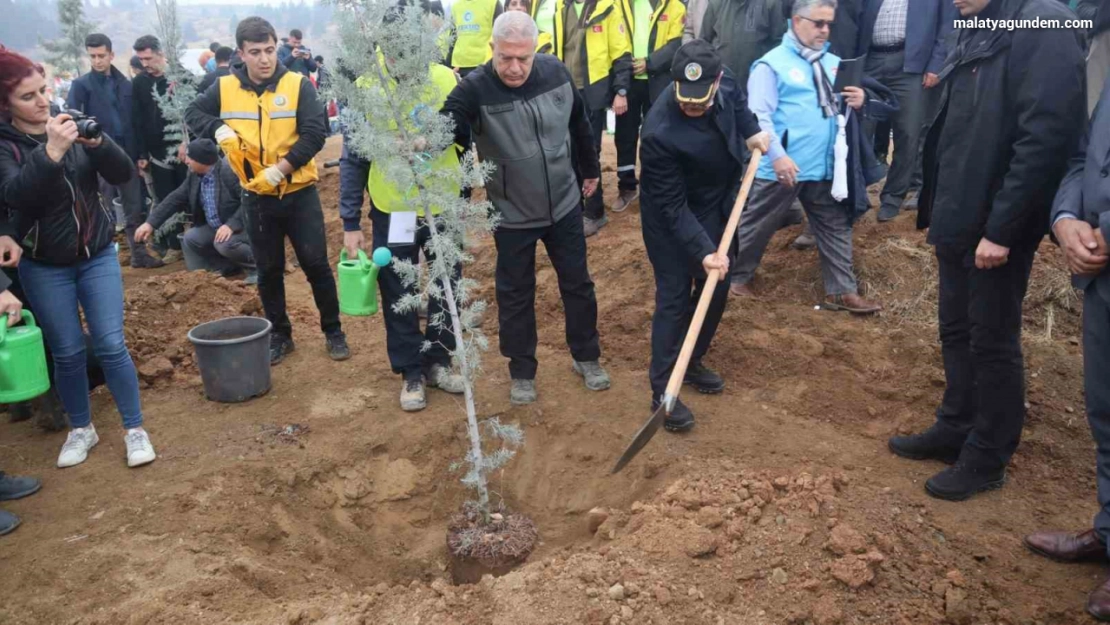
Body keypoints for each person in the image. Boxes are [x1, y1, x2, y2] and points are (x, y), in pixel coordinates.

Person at [889, 0, 1086, 501]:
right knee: (956, 329)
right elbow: (960, 125)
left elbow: (1045, 138)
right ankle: (955, 425)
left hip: (996, 223)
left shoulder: (1044, 24)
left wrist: (1003, 228)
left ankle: (988, 454)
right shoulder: (981, 24)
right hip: (959, 212)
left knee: (992, 340)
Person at [0, 47, 158, 469]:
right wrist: (49, 153)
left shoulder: (67, 122)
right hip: (44, 266)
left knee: (110, 343)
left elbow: (123, 173)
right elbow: (15, 197)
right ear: (5, 105)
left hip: (97, 254)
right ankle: (81, 428)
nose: (41, 102)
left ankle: (134, 428)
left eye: (43, 90)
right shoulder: (7, 146)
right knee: (67, 351)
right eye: (27, 96)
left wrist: (100, 143)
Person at [444, 11, 610, 404]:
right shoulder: (475, 89)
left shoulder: (555, 73)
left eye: (523, 57)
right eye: (505, 58)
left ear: (536, 50)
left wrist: (589, 169)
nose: (514, 67)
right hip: (512, 212)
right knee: (516, 293)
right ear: (492, 49)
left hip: (565, 203)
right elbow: (445, 127)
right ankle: (521, 371)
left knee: (578, 284)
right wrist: (417, 143)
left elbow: (579, 122)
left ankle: (586, 357)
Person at [186, 16, 349, 365]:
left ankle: (333, 331)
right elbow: (193, 111)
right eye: (256, 52)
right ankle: (280, 334)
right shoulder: (224, 87)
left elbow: (315, 134)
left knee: (316, 264)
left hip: (298, 193)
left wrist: (280, 170)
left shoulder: (297, 85)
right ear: (241, 55)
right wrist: (217, 129)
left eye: (270, 50)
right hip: (256, 197)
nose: (265, 59)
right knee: (269, 269)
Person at [639, 40, 769, 431]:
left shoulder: (726, 79)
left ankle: (691, 361)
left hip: (718, 202)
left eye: (700, 99)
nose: (691, 106)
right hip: (671, 217)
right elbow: (672, 207)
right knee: (675, 296)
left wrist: (752, 133)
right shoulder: (659, 132)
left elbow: (741, 109)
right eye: (685, 99)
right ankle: (663, 390)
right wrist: (702, 251)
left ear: (715, 80)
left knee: (716, 288)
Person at [728, 0, 882, 314]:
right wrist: (778, 156)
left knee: (835, 227)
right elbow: (759, 118)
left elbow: (841, 109)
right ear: (797, 21)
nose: (825, 30)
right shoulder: (769, 66)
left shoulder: (835, 64)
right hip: (782, 168)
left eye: (829, 24)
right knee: (755, 226)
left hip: (824, 167)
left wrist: (860, 99)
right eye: (818, 23)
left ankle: (842, 291)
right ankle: (732, 279)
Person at [1022, 76, 1110, 621]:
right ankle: (1108, 532)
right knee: (1105, 415)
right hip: (1101, 279)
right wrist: (1066, 220)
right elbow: (1084, 159)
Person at [339, 45, 468, 412]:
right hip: (394, 208)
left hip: (441, 203)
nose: (403, 64)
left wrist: (432, 141)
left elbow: (464, 130)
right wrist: (350, 220)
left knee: (447, 282)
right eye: (396, 56)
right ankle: (411, 370)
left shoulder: (444, 78)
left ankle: (439, 361)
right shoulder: (367, 85)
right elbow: (354, 156)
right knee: (399, 288)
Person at [67, 34, 162, 269]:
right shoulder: (81, 86)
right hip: (96, 158)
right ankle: (102, 260)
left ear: (111, 55)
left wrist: (141, 155)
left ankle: (139, 254)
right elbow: (71, 120)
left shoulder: (126, 85)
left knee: (135, 207)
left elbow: (136, 121)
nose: (97, 61)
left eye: (101, 55)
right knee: (101, 208)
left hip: (127, 156)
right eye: (92, 56)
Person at [858, 0, 955, 222]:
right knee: (860, 129)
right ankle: (857, 194)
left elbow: (946, 26)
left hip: (910, 65)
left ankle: (892, 197)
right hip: (871, 61)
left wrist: (935, 65)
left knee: (908, 133)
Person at [553, 0, 633, 236]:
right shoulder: (561, 9)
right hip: (564, 90)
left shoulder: (607, 8)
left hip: (592, 92)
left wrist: (621, 91)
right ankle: (575, 206)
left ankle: (595, 212)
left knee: (589, 151)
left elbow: (621, 54)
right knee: (568, 151)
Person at [135, 139, 256, 282]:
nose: (186, 161)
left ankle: (258, 267)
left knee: (224, 243)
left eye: (190, 158)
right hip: (218, 228)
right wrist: (150, 223)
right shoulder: (195, 176)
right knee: (192, 238)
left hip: (244, 228)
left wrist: (231, 225)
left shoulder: (229, 172)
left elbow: (250, 202)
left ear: (202, 160)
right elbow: (174, 199)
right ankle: (221, 271)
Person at [611, 0, 685, 213]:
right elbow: (616, 38)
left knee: (656, 135)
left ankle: (654, 187)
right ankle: (626, 186)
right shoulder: (621, 4)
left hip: (659, 81)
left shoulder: (674, 7)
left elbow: (675, 43)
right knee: (625, 134)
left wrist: (649, 62)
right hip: (628, 80)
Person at [132, 35, 188, 263]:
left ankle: (198, 240)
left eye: (148, 58)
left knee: (191, 196)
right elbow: (137, 120)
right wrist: (142, 154)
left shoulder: (180, 76)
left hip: (184, 152)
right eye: (141, 59)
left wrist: (187, 140)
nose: (145, 64)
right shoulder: (139, 83)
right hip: (157, 154)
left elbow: (193, 111)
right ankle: (173, 245)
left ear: (160, 53)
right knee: (165, 199)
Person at [698, 0, 788, 87]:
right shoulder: (716, 3)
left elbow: (779, 44)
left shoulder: (771, 3)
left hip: (757, 84)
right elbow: (704, 43)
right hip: (722, 86)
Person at [448, 0, 504, 76]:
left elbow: (501, 37)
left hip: (485, 66)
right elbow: (452, 40)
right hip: (459, 67)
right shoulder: (456, 6)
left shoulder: (493, 3)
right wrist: (448, 67)